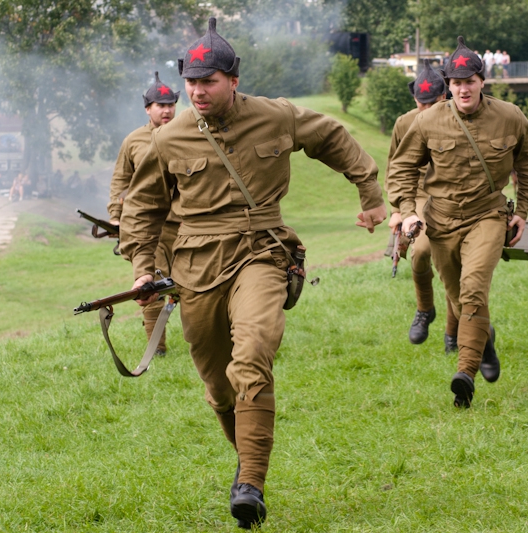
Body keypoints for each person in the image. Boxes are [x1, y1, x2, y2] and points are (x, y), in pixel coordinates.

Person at [120, 18, 386, 528]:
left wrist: (369, 194)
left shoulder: (275, 117)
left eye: (209, 81)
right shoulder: (168, 138)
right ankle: (247, 458)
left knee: (254, 350)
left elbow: (331, 135)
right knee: (220, 388)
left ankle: (251, 486)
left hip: (262, 252)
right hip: (196, 269)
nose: (197, 91)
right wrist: (142, 269)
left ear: (233, 79)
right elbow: (143, 210)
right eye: (191, 83)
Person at [387, 36, 528, 408]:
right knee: (459, 299)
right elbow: (401, 167)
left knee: (474, 288)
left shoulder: (510, 116)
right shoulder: (427, 121)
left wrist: (521, 210)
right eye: (456, 83)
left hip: (488, 215)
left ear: (481, 81)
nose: (463, 88)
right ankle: (484, 340)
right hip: (440, 219)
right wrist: (408, 210)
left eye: (469, 81)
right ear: (449, 85)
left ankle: (465, 373)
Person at [385, 60, 456, 352]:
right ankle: (425, 308)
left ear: (444, 96)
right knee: (422, 251)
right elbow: (395, 167)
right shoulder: (404, 122)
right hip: (418, 197)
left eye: (431, 103)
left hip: (453, 195)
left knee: (455, 266)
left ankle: (453, 333)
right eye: (420, 103)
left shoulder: (458, 117)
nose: (424, 110)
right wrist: (399, 210)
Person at [108, 72, 181, 356]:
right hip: (151, 228)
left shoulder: (188, 133)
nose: (167, 110)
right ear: (148, 108)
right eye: (160, 105)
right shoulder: (133, 141)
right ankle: (157, 348)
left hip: (185, 224)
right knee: (149, 283)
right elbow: (120, 180)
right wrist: (116, 215)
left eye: (171, 104)